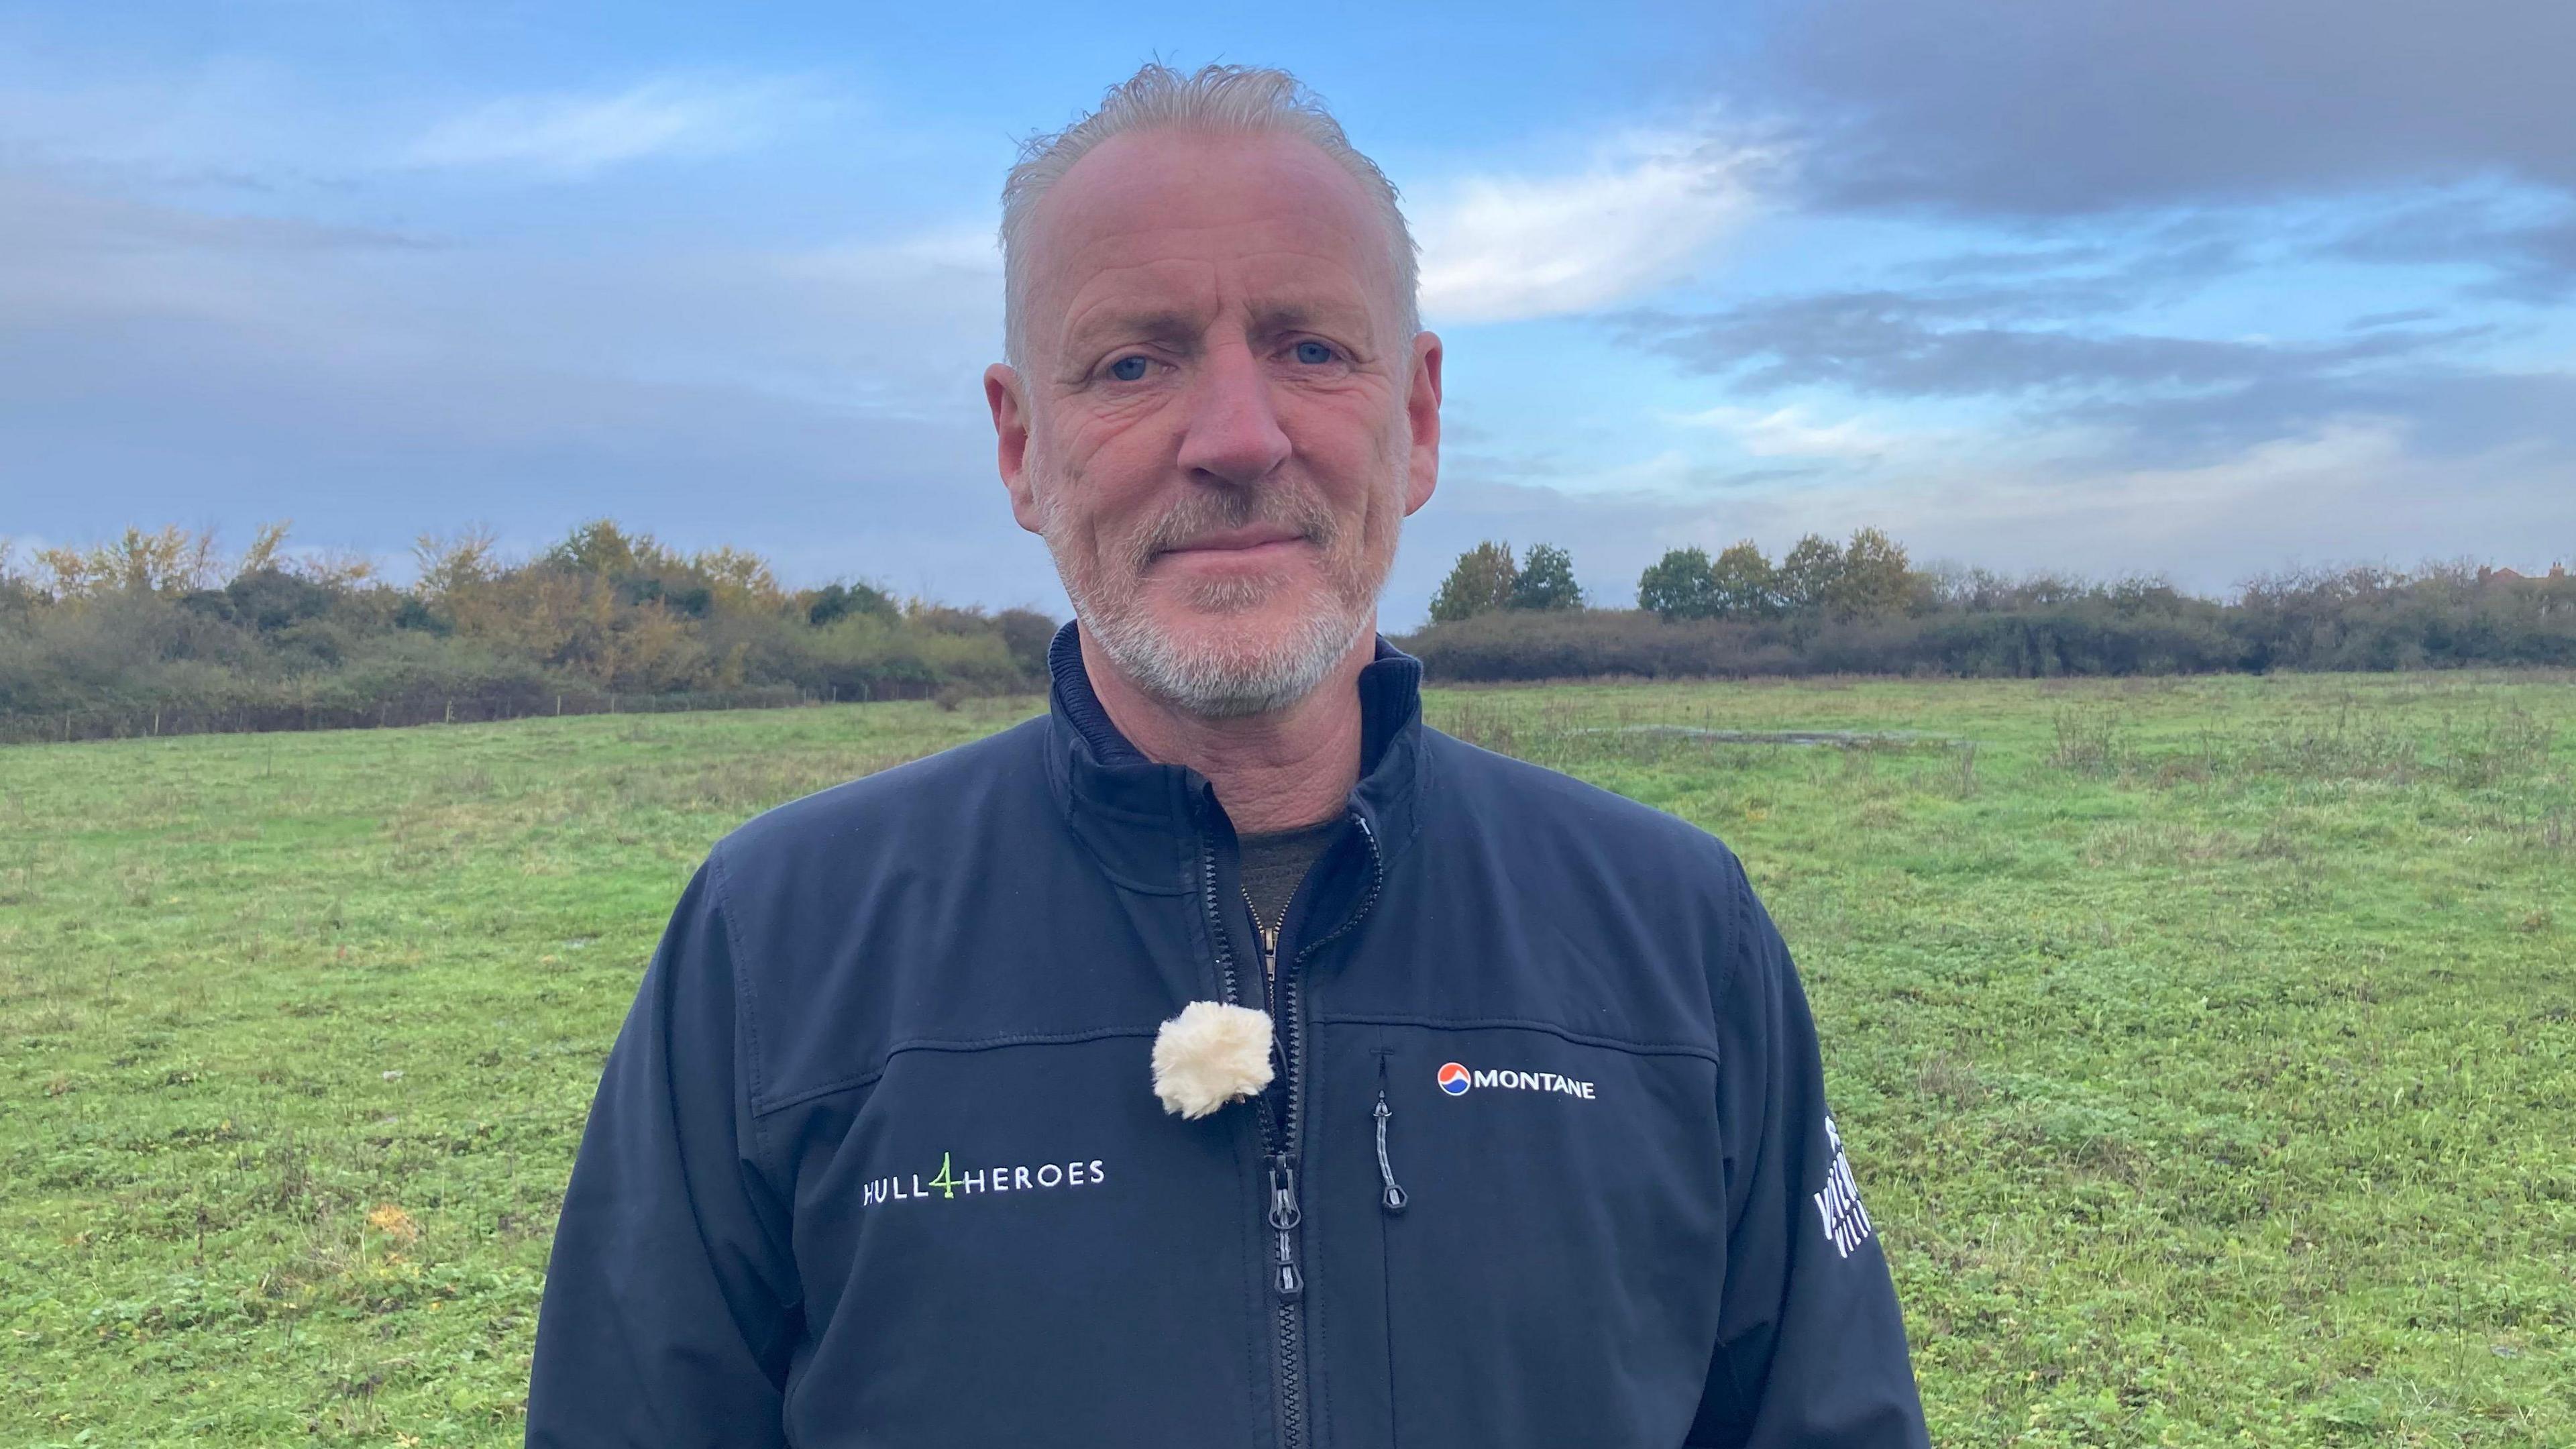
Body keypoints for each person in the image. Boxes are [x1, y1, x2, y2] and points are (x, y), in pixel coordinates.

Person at [526, 61, 1929, 1448]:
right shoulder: (778, 943)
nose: (1239, 438)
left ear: (1418, 418)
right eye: (1133, 362)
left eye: (1313, 349)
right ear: (1023, 447)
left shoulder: (1677, 934)